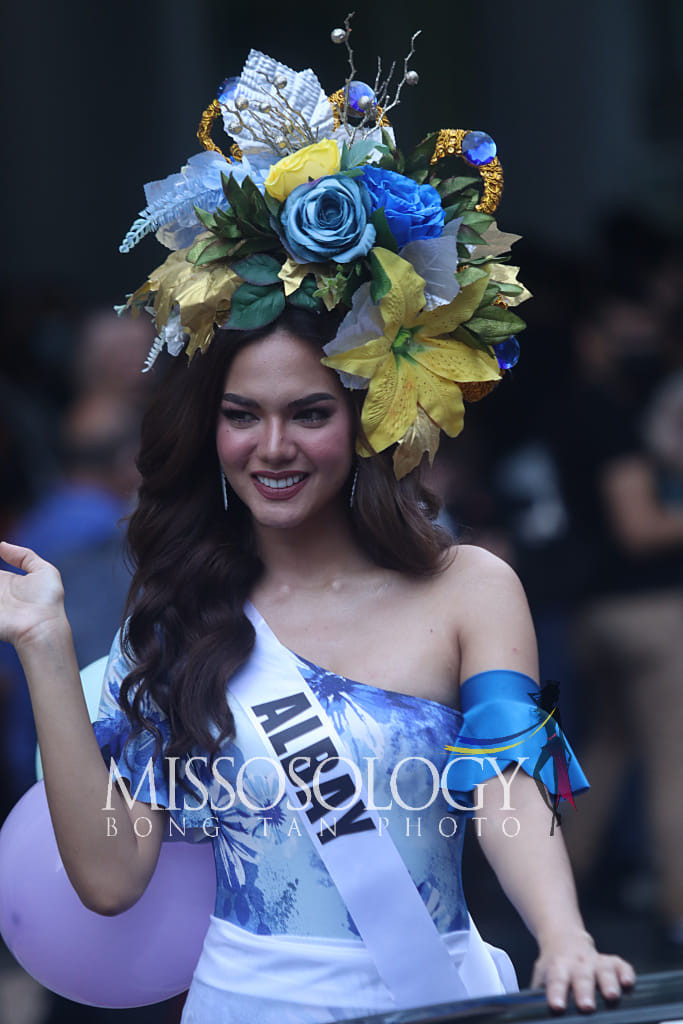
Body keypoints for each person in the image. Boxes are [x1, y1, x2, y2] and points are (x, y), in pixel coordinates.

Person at [0, 34, 635, 1024]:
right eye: (240, 414)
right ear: (207, 429)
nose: (272, 446)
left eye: (308, 412)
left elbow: (506, 789)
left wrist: (561, 935)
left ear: (365, 418)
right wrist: (43, 643)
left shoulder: (468, 585)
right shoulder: (181, 606)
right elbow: (113, 877)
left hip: (448, 1004)